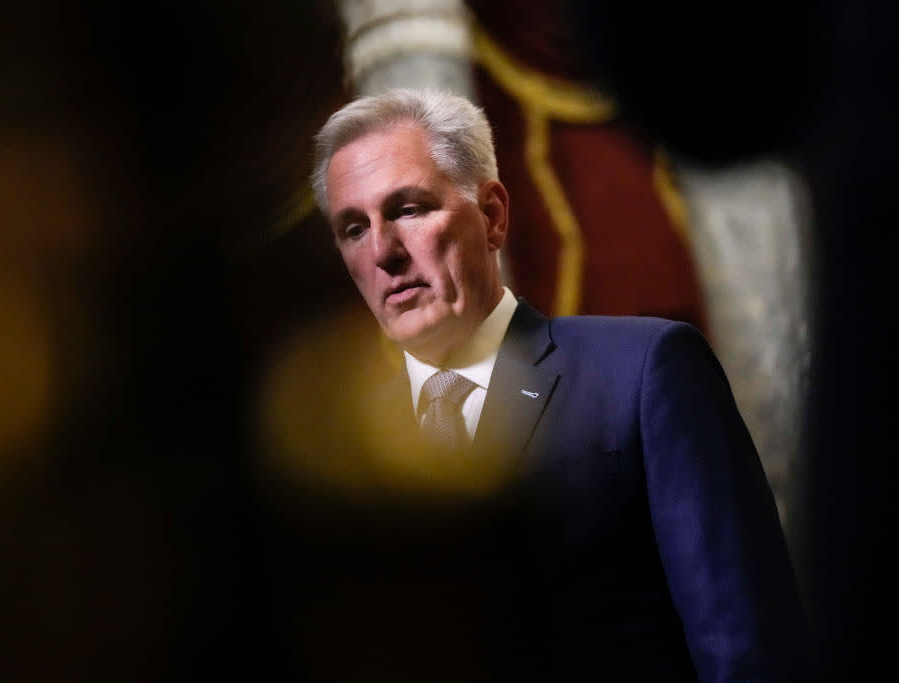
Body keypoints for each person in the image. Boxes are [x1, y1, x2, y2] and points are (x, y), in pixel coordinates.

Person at [299, 87, 812, 682]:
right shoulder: (346, 466)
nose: (383, 252)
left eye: (408, 209)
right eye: (353, 228)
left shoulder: (644, 375)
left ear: (492, 216)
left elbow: (749, 650)